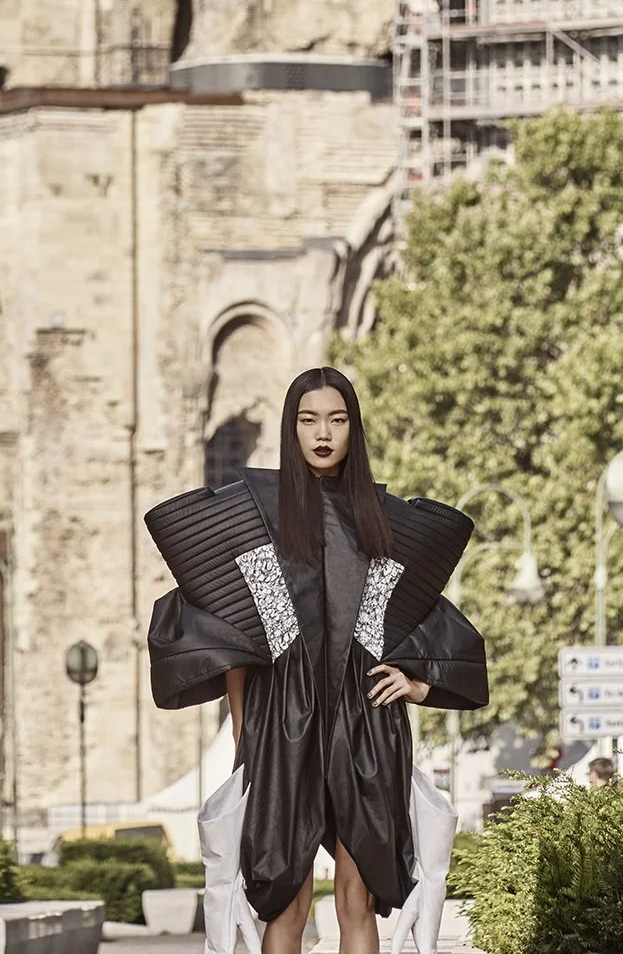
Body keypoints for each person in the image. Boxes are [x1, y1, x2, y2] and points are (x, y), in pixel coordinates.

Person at [146, 367, 488, 954]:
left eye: (337, 419)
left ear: (354, 428)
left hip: (367, 724)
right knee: (287, 900)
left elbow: (438, 629)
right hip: (283, 724)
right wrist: (246, 735)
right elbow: (236, 640)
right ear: (291, 429)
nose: (322, 433)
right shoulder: (255, 516)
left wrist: (416, 686)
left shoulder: (387, 522)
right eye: (308, 420)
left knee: (358, 902)